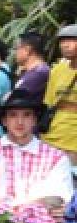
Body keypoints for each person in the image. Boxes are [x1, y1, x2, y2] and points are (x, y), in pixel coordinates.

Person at [0, 90, 73, 223]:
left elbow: (57, 201)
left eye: (26, 115)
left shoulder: (55, 157)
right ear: (4, 120)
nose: (19, 121)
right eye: (13, 115)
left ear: (35, 119)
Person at [43, 23, 77, 163]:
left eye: (71, 40)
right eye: (62, 41)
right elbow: (48, 103)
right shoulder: (57, 70)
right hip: (52, 135)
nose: (65, 45)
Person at [13, 30, 51, 101]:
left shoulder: (39, 73)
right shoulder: (31, 72)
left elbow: (17, 99)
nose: (15, 53)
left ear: (28, 50)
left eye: (16, 48)